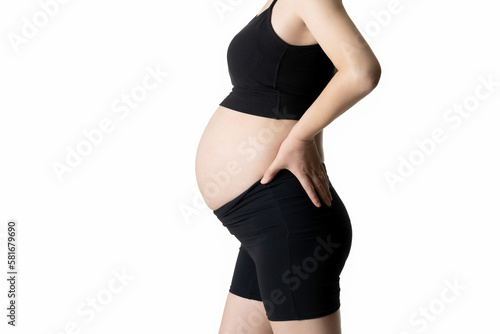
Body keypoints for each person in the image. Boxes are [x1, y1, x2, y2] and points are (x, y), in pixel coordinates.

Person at [195, 0, 381, 332]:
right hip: (262, 226)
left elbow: (361, 72)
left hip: (287, 223)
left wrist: (299, 139)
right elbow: (309, 88)